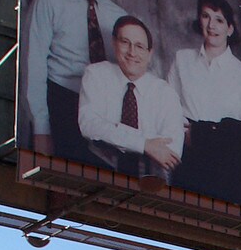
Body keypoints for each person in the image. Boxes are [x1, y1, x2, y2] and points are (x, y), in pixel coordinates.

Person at [22, 0, 127, 161]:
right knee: (61, 186)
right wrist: (41, 128)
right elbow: (34, 64)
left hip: (103, 111)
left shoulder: (119, 16)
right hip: (61, 101)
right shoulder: (49, 1)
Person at [169, 0, 241, 206]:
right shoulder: (182, 59)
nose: (212, 25)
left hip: (224, 169)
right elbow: (168, 108)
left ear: (230, 28)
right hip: (188, 158)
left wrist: (210, 139)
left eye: (219, 19)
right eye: (206, 16)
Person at [77, 16, 184, 177]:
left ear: (150, 53)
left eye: (140, 46)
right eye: (125, 42)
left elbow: (171, 152)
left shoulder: (165, 92)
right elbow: (89, 125)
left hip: (149, 181)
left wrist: (111, 132)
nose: (132, 52)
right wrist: (145, 145)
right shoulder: (96, 74)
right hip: (99, 172)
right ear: (114, 44)